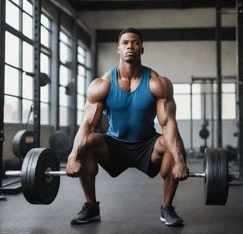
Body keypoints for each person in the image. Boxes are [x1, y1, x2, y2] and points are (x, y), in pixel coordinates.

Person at [66, 27, 189, 227]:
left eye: (135, 43)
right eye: (125, 43)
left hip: (147, 146)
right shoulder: (102, 85)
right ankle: (91, 206)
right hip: (113, 145)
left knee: (171, 143)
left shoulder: (158, 83)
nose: (130, 46)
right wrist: (72, 157)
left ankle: (167, 207)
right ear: (118, 49)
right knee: (88, 141)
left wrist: (180, 160)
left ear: (142, 49)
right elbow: (88, 126)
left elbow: (168, 124)